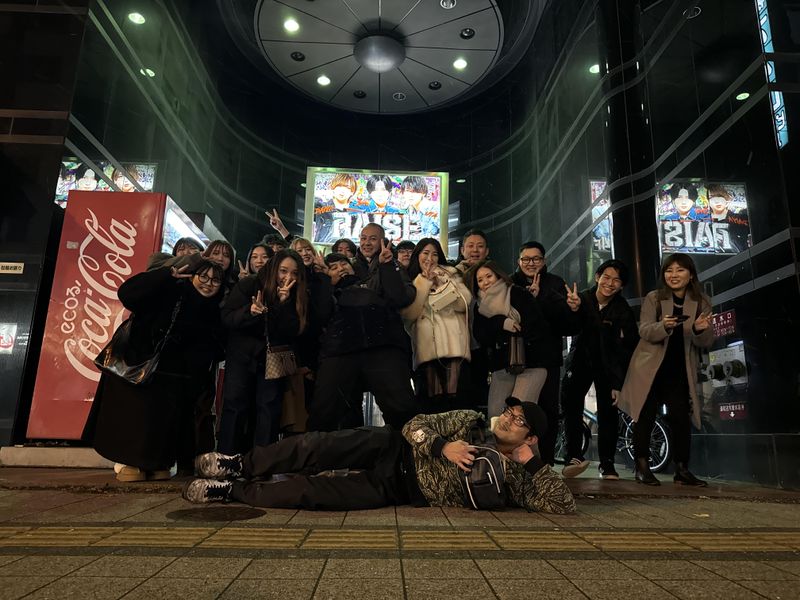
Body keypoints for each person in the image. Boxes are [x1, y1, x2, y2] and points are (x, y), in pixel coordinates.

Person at [182, 398, 576, 515]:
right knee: (315, 446)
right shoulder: (471, 421)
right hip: (390, 445)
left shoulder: (521, 477)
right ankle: (240, 464)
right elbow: (415, 424)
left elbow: (563, 505)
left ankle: (230, 491)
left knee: (312, 493)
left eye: (518, 420)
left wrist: (533, 462)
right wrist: (443, 446)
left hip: (398, 488)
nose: (507, 418)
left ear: (531, 436)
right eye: (509, 411)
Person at [83, 260, 226, 482]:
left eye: (215, 280)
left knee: (163, 422)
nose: (208, 283)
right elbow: (127, 293)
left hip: (175, 376)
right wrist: (165, 274)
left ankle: (157, 464)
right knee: (135, 417)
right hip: (139, 365)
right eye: (203, 277)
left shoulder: (214, 309)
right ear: (191, 276)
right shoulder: (170, 289)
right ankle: (131, 463)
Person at [306, 223, 418, 431]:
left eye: (372, 238)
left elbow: (400, 298)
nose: (367, 243)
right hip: (341, 348)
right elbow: (321, 314)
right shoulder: (339, 276)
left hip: (383, 345)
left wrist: (387, 266)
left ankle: (412, 450)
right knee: (327, 412)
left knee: (402, 410)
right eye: (363, 238)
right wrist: (324, 279)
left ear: (383, 240)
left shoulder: (391, 265)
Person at [617, 253, 714, 486]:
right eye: (669, 270)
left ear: (691, 275)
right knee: (645, 416)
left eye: (680, 270)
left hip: (679, 370)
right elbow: (645, 330)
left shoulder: (702, 301)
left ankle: (682, 469)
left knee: (681, 418)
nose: (673, 275)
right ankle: (642, 467)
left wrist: (699, 329)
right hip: (649, 369)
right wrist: (664, 326)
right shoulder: (655, 298)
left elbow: (707, 341)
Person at [218, 249, 309, 453]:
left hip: (273, 359)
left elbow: (294, 331)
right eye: (283, 271)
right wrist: (250, 312)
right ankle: (227, 459)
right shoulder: (250, 284)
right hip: (242, 357)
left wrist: (282, 305)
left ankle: (263, 461)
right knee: (235, 406)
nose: (288, 277)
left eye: (294, 273)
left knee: (269, 408)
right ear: (274, 268)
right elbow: (227, 317)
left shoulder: (297, 294)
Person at [561, 259, 639, 479]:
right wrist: (573, 309)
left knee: (608, 413)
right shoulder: (582, 298)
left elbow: (627, 347)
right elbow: (568, 327)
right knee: (572, 408)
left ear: (622, 285)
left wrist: (618, 383)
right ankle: (573, 457)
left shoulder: (622, 309)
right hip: (580, 361)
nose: (610, 283)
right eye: (606, 277)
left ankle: (607, 463)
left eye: (616, 280)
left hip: (608, 367)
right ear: (597, 277)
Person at [511, 241, 581, 466]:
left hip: (547, 358)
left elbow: (567, 326)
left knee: (548, 410)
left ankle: (546, 461)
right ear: (518, 261)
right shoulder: (510, 284)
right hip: (517, 360)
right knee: (517, 411)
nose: (531, 263)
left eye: (536, 259)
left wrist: (573, 309)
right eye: (526, 259)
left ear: (544, 260)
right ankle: (518, 461)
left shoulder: (555, 284)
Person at [470, 260, 551, 418]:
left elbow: (536, 326)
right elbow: (481, 335)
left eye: (489, 276)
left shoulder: (517, 293)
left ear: (498, 275)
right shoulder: (479, 306)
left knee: (519, 414)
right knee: (495, 415)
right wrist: (502, 323)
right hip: (501, 364)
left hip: (531, 362)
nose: (485, 282)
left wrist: (515, 334)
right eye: (480, 280)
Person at [401, 238, 472, 412]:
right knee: (431, 404)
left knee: (458, 403)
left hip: (455, 347)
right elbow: (409, 315)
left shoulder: (451, 274)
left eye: (434, 254)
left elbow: (465, 303)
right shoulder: (409, 280)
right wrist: (424, 283)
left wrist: (443, 285)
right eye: (425, 253)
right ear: (417, 255)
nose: (429, 258)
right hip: (427, 351)